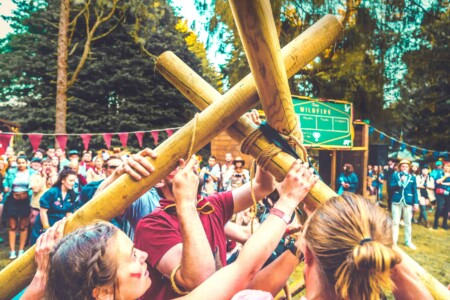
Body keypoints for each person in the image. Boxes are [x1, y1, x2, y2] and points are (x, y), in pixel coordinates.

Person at [23, 161, 432, 300]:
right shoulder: (152, 224)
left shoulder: (210, 204)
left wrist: (262, 155)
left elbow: (259, 189)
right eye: (131, 257)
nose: (142, 255)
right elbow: (208, 278)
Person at [134, 153, 276, 299]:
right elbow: (199, 279)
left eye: (189, 160)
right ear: (158, 182)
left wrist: (263, 147)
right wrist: (187, 202)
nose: (189, 165)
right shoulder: (152, 224)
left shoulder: (212, 204)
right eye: (176, 165)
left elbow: (263, 186)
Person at [30, 168, 78, 245]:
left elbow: (69, 213)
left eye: (74, 181)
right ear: (63, 180)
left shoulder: (72, 195)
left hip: (59, 226)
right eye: (71, 181)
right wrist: (47, 229)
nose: (73, 183)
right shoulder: (51, 192)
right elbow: (43, 212)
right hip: (45, 224)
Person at [2, 155, 35, 259]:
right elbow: (5, 183)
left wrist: (29, 192)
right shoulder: (11, 172)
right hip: (12, 200)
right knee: (12, 226)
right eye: (19, 163)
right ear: (16, 163)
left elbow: (34, 185)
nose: (21, 165)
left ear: (27, 163)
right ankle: (12, 251)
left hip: (25, 201)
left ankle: (21, 250)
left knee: (23, 226)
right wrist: (6, 186)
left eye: (23, 162)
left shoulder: (32, 173)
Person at [390, 159, 419, 250]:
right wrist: (399, 182)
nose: (404, 168)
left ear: (409, 168)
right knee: (395, 222)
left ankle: (408, 241)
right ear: (399, 167)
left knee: (408, 222)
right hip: (396, 200)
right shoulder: (395, 175)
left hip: (408, 201)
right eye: (402, 166)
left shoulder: (412, 177)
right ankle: (394, 242)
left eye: (406, 166)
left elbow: (415, 191)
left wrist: (416, 203)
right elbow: (391, 187)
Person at [433, 161, 450, 230]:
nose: (447, 168)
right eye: (446, 166)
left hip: (448, 192)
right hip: (440, 192)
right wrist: (445, 176)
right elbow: (437, 181)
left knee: (447, 208)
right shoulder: (439, 172)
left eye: (449, 167)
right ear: (444, 166)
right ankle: (435, 223)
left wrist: (443, 183)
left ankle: (444, 224)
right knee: (439, 207)